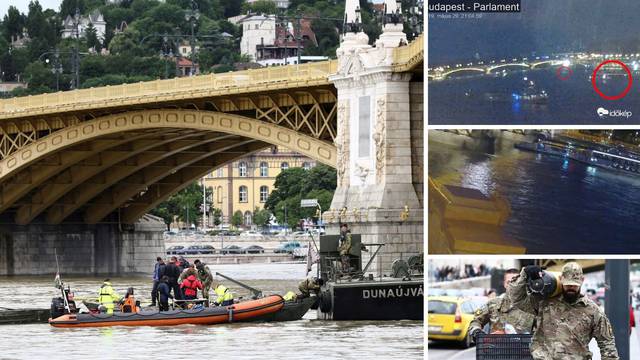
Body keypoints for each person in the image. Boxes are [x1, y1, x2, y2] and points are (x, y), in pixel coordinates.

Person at [508, 262, 619, 360]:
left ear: (582, 281)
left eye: (574, 285)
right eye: (568, 284)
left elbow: (607, 343)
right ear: (561, 279)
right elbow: (517, 299)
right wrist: (524, 274)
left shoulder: (593, 311)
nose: (571, 287)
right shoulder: (545, 302)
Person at [469, 269, 534, 338]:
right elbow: (475, 322)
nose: (512, 285)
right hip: (497, 347)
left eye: (516, 282)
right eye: (509, 282)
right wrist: (477, 332)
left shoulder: (531, 306)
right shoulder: (493, 304)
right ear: (504, 284)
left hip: (523, 348)